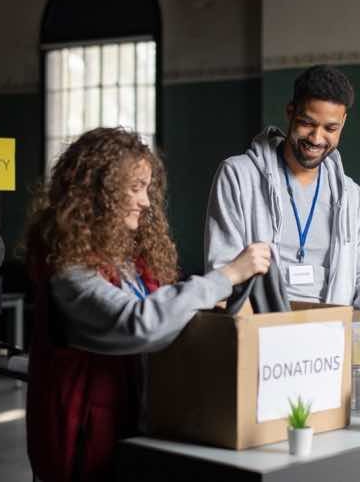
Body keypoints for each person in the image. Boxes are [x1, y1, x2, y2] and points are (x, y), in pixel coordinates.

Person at [25, 127, 270, 482]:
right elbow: (138, 324)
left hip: (134, 436)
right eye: (135, 188)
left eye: (147, 189)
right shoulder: (67, 271)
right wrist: (228, 275)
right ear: (99, 192)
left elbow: (163, 315)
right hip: (82, 450)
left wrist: (200, 310)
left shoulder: (133, 260)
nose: (145, 201)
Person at [204, 65, 360, 331]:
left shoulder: (351, 197)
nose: (317, 138)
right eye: (307, 123)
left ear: (343, 123)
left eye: (330, 128)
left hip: (329, 340)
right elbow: (223, 269)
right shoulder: (238, 176)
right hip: (260, 335)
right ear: (290, 112)